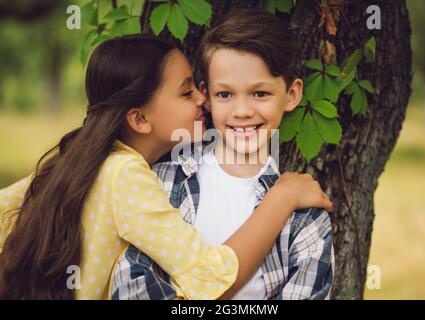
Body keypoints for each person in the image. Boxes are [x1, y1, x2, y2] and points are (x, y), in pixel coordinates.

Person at [0, 34, 332, 300]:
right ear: (141, 119)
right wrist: (282, 198)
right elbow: (209, 279)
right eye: (187, 92)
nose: (203, 100)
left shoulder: (79, 162)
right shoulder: (129, 177)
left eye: (259, 93)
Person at [112, 9, 334, 300]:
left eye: (260, 94)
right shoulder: (161, 183)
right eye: (225, 95)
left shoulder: (305, 218)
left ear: (291, 95)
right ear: (205, 94)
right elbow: (132, 290)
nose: (242, 112)